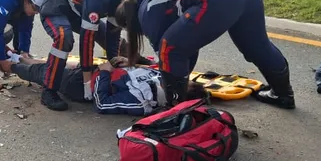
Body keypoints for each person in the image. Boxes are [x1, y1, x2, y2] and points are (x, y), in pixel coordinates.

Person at [115, 0, 295, 109]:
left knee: (168, 48)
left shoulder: (146, 14)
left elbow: (169, 57)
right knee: (257, 46)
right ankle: (283, 94)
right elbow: (187, 43)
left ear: (131, 25)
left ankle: (176, 111)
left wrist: (173, 89)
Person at [36, 0, 138, 111]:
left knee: (104, 35)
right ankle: (48, 91)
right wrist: (87, 80)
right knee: (64, 38)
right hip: (57, 5)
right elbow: (86, 40)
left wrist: (113, 64)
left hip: (78, 12)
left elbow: (112, 34)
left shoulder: (119, 0)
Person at [12, 54, 206, 115]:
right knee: (52, 64)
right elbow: (142, 70)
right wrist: (128, 63)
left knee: (39, 73)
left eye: (183, 84)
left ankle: (8, 63)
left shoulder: (141, 102)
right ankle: (23, 57)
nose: (178, 79)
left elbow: (102, 103)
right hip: (95, 72)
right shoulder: (161, 78)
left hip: (79, 85)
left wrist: (105, 73)